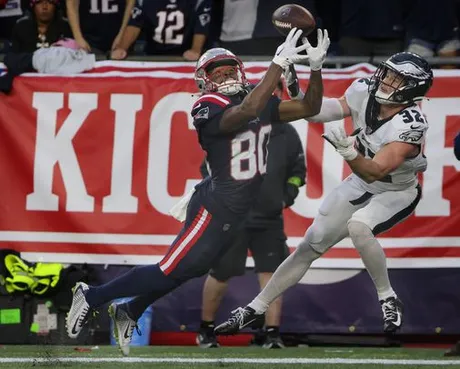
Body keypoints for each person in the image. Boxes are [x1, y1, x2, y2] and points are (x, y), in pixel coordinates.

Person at [66, 27, 330, 356]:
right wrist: (276, 63)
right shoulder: (207, 105)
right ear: (205, 81)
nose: (225, 76)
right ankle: (91, 295)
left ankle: (129, 310)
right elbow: (246, 111)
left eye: (230, 70)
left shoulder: (260, 101)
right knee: (169, 269)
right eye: (217, 73)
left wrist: (316, 67)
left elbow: (310, 106)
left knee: (188, 270)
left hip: (237, 208)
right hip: (215, 206)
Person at [215, 51, 433, 336]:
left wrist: (347, 151)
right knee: (310, 245)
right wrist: (298, 87)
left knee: (359, 226)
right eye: (388, 73)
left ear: (412, 88)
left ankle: (387, 297)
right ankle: (255, 309)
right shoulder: (363, 91)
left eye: (396, 78)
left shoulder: (410, 124)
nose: (386, 80)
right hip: (359, 181)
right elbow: (316, 111)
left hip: (396, 191)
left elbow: (375, 171)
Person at [197, 78, 306, 349]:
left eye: (275, 93)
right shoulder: (238, 126)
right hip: (233, 215)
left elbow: (297, 172)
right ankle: (206, 329)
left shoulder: (288, 133)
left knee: (273, 273)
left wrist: (286, 197)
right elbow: (207, 167)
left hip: (269, 216)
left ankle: (271, 333)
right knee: (221, 272)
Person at [110, 0, 212, 61]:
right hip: (152, 55)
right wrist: (122, 47)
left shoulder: (199, 1)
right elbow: (135, 24)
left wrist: (195, 49)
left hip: (185, 55)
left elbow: (201, 27)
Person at [65, 0, 135, 54]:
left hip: (119, 35)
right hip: (88, 38)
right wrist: (78, 37)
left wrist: (123, 36)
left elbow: (131, 4)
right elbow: (72, 4)